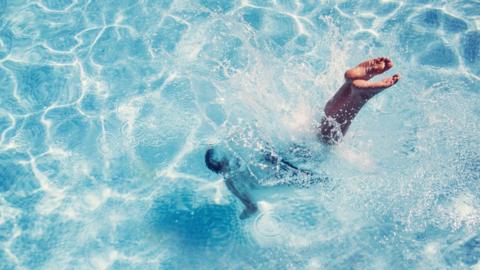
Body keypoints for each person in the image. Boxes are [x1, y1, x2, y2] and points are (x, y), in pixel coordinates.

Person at [205, 57, 400, 219]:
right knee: (322, 121)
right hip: (281, 140)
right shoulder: (239, 144)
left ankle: (359, 96)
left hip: (291, 159)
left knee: (328, 139)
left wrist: (247, 211)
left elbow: (252, 207)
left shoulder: (231, 178)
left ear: (220, 166)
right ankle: (348, 85)